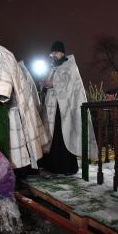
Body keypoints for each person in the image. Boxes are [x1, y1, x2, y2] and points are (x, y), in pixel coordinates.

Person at [0, 29, 49, 178]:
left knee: (17, 142)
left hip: (14, 104)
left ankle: (19, 174)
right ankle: (15, 172)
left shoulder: (1, 54)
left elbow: (4, 81)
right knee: (13, 143)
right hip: (7, 103)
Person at [41, 41, 98, 174]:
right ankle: (52, 165)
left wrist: (52, 83)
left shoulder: (70, 66)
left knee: (63, 136)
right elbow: (51, 83)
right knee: (54, 136)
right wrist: (45, 84)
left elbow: (69, 86)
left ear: (61, 52)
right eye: (52, 53)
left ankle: (66, 166)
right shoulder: (53, 67)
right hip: (53, 109)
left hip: (64, 109)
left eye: (54, 53)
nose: (52, 56)